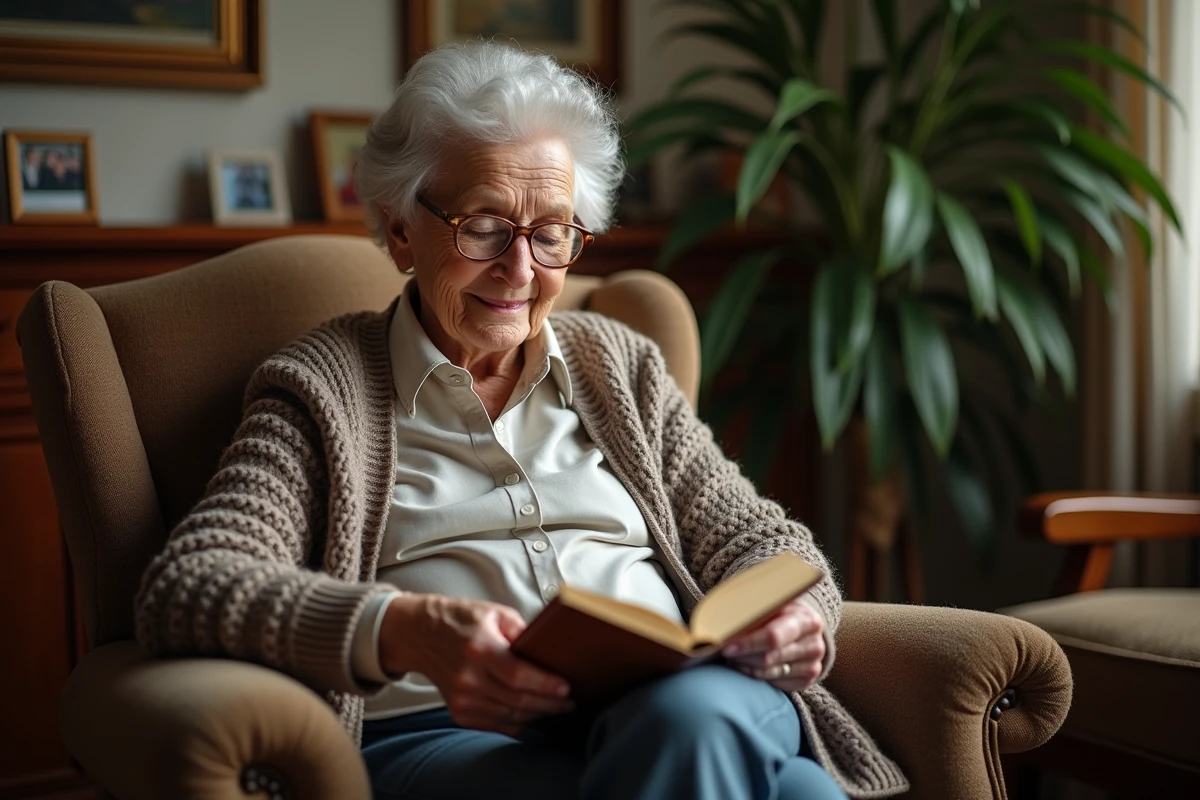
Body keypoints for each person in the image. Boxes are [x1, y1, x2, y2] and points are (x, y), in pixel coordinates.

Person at [135, 42, 907, 799]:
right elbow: (189, 585)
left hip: (692, 703)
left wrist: (796, 614)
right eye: (482, 226)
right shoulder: (323, 390)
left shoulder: (620, 367)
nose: (522, 269)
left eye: (552, 233)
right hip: (450, 740)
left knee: (690, 718)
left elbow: (760, 539)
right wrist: (404, 630)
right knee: (796, 787)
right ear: (400, 227)